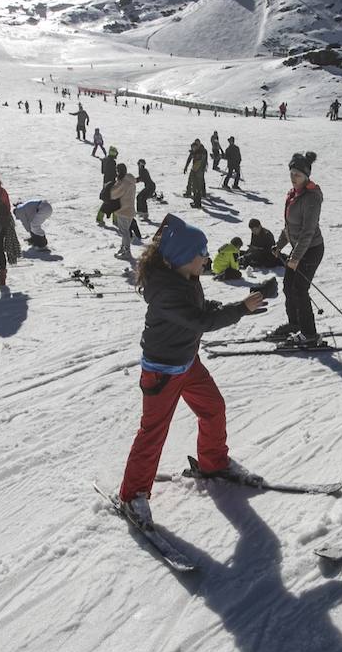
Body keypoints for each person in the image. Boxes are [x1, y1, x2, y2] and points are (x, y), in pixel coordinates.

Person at [114, 215, 266, 527]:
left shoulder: (186, 278)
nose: (207, 258)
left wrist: (239, 304)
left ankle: (214, 463)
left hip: (187, 362)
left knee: (213, 408)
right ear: (185, 256)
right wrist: (240, 310)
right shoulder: (166, 290)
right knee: (153, 432)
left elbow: (200, 310)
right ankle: (133, 495)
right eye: (203, 253)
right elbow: (200, 322)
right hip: (162, 371)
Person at [274, 152, 325, 347]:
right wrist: (279, 246)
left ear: (306, 176)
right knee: (288, 286)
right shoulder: (293, 194)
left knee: (299, 290)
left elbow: (307, 232)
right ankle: (295, 324)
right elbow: (289, 227)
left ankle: (309, 334)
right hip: (298, 250)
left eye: (297, 174)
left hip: (311, 250)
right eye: (292, 173)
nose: (293, 177)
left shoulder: (311, 198)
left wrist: (295, 257)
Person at [110, 162, 139, 260]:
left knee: (124, 232)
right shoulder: (130, 179)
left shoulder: (122, 182)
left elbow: (114, 194)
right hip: (130, 210)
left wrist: (110, 187)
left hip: (123, 210)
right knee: (125, 231)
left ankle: (127, 251)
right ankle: (123, 248)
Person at [183, 139, 208, 208]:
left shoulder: (202, 151)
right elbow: (189, 158)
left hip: (198, 172)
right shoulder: (195, 152)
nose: (193, 149)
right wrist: (186, 167)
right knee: (195, 187)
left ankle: (198, 203)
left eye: (194, 147)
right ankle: (196, 201)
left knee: (197, 187)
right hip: (195, 170)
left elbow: (203, 162)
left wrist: (202, 169)